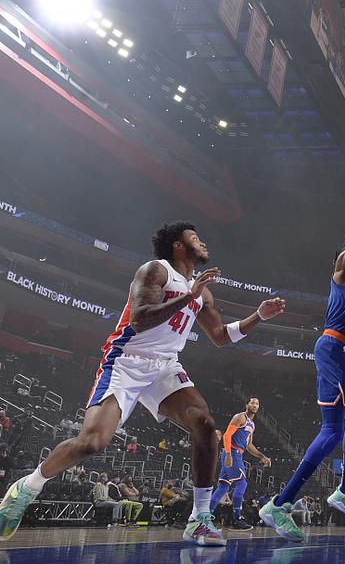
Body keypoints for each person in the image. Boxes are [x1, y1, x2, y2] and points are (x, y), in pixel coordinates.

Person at [0, 222, 286, 545]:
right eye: (195, 238)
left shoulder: (202, 291)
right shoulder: (156, 271)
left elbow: (221, 336)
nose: (203, 242)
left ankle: (199, 518)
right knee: (92, 442)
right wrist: (187, 297)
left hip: (165, 367)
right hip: (126, 360)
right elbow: (140, 319)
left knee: (205, 425)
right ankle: (27, 488)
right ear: (177, 246)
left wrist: (258, 316)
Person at [261, 164, 345, 542]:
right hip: (332, 349)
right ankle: (280, 504)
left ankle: (344, 491)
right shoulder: (344, 272)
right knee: (333, 430)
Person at [210, 398, 271, 531]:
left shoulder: (252, 424)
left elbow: (249, 446)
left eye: (257, 404)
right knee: (242, 484)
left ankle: (205, 518)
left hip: (237, 452)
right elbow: (227, 436)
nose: (255, 405)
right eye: (252, 403)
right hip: (232, 452)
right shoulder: (240, 417)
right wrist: (228, 454)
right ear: (247, 405)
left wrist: (263, 456)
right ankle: (236, 519)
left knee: (223, 487)